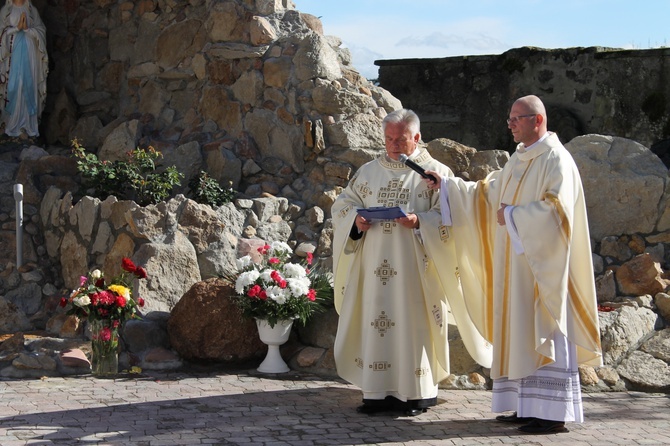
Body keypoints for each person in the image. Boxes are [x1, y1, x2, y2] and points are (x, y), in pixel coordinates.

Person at [425, 95, 602, 434]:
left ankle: (550, 412)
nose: (510, 124)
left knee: (541, 328)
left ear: (538, 120)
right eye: (510, 119)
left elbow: (558, 212)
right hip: (515, 268)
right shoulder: (519, 160)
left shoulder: (556, 159)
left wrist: (513, 215)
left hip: (543, 270)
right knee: (519, 331)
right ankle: (526, 405)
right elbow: (486, 195)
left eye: (516, 118)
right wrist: (447, 187)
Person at [331, 108, 492, 417]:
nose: (393, 145)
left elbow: (452, 219)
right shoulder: (368, 171)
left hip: (417, 271)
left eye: (401, 139)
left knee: (412, 325)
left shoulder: (435, 173)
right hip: (374, 269)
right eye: (389, 139)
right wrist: (357, 221)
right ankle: (377, 393)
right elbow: (344, 204)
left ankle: (417, 394)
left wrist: (420, 220)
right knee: (377, 323)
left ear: (416, 137)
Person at [0, 0, 48, 138]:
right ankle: (9, 123)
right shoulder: (6, 11)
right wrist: (17, 28)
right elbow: (1, 32)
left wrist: (27, 29)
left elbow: (41, 30)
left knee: (28, 85)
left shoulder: (32, 11)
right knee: (13, 86)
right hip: (12, 53)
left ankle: (27, 126)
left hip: (29, 52)